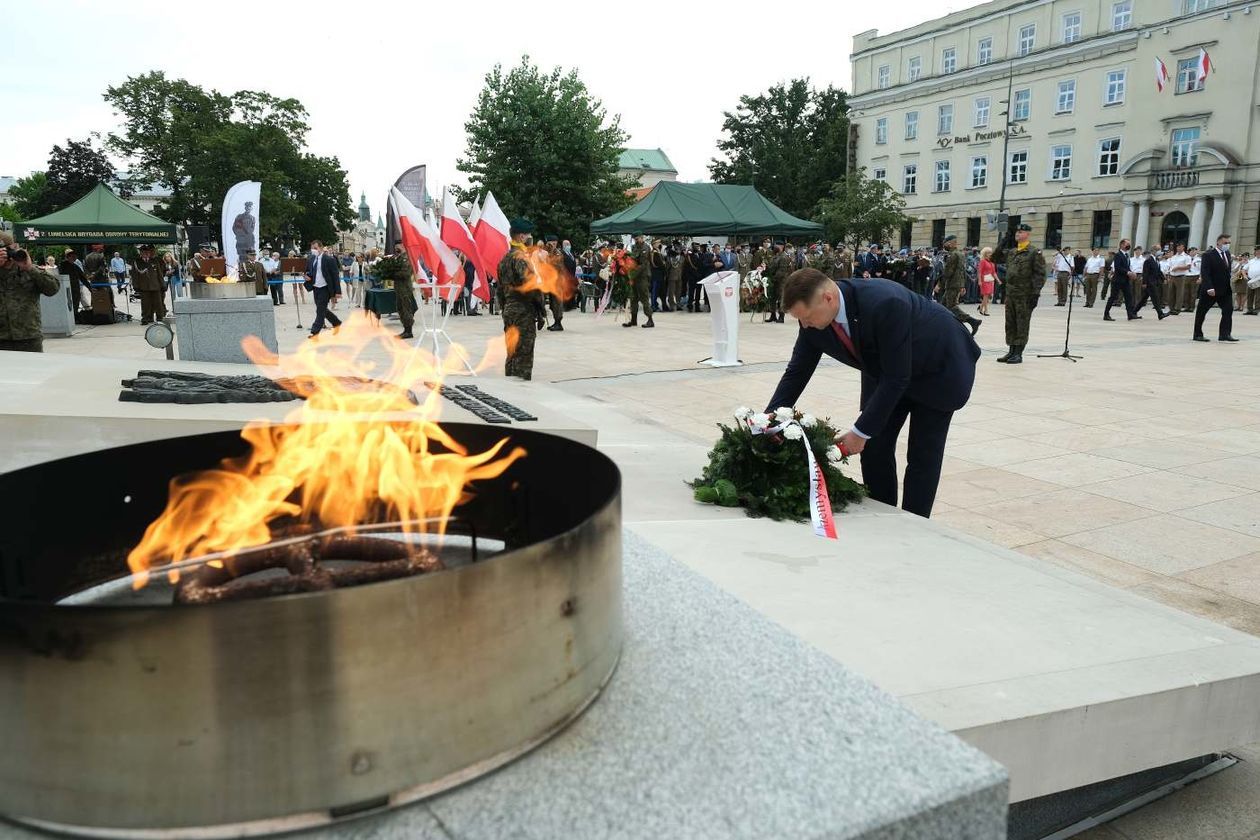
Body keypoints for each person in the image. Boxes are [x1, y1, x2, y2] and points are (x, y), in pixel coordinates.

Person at [766, 268, 980, 518]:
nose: (805, 325)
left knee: (923, 453)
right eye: (799, 319)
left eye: (807, 317)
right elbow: (797, 371)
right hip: (888, 370)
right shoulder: (814, 323)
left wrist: (859, 432)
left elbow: (897, 377)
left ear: (828, 298)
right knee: (875, 448)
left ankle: (916, 524)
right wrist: (770, 419)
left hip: (938, 366)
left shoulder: (885, 302)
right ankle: (883, 514)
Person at [991, 223, 1046, 364]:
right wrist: (1003, 241)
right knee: (1010, 323)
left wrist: (1035, 294)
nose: (1017, 234)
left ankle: (1018, 353)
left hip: (1025, 295)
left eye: (1020, 232)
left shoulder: (1034, 252)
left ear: (1027, 234)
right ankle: (1011, 351)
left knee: (1022, 323)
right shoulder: (1012, 252)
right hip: (1010, 294)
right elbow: (994, 258)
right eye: (1016, 232)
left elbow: (1040, 275)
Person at [498, 218, 545, 379]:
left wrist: (505, 308)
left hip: (509, 310)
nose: (530, 238)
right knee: (523, 353)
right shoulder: (521, 258)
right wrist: (541, 308)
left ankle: (510, 388)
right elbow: (530, 284)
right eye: (528, 235)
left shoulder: (504, 259)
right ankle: (521, 389)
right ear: (521, 237)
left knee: (511, 352)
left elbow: (500, 290)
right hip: (523, 310)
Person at [0, 243, 62, 352]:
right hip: (2, 338)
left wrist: (30, 267)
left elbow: (53, 289)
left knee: (34, 369)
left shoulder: (28, 270)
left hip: (29, 337)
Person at [1193, 234, 1238, 342]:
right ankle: (1197, 334)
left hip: (1225, 289)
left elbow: (1227, 271)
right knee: (1202, 312)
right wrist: (1209, 287)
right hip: (1211, 289)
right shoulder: (1208, 255)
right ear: (1218, 243)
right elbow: (1205, 272)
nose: (1227, 245)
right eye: (1225, 243)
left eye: (1228, 243)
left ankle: (1225, 334)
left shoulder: (1227, 254)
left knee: (1228, 310)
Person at [936, 235, 981, 336]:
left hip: (952, 284)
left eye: (945, 243)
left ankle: (972, 321)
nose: (944, 245)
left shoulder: (953, 255)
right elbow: (962, 271)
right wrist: (963, 285)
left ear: (951, 243)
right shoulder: (960, 254)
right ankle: (945, 327)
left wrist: (939, 284)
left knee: (951, 306)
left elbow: (948, 272)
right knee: (943, 306)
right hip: (957, 284)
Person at [304, 240, 342, 339]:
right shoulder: (311, 259)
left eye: (316, 248)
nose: (314, 250)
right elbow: (308, 271)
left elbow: (335, 276)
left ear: (321, 248)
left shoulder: (329, 259)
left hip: (325, 288)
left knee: (320, 311)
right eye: (312, 249)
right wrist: (307, 276)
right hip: (315, 287)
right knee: (322, 309)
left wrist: (338, 292)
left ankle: (315, 332)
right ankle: (336, 322)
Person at [130, 244, 167, 324]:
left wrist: (162, 284)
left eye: (147, 252)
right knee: (146, 304)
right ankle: (146, 318)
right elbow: (134, 275)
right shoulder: (137, 262)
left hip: (155, 285)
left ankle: (160, 318)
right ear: (141, 253)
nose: (146, 253)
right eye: (144, 252)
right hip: (144, 286)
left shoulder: (154, 261)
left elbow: (159, 274)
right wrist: (135, 285)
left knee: (158, 303)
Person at [624, 232, 655, 328]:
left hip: (643, 277)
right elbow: (632, 260)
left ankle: (650, 320)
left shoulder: (645, 248)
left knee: (644, 298)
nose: (636, 241)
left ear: (642, 238)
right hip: (635, 277)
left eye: (637, 239)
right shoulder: (634, 247)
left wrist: (632, 274)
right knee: (633, 298)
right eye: (635, 239)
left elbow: (643, 265)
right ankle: (633, 320)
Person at [1104, 239, 1139, 322]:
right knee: (1113, 297)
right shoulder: (1118, 255)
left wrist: (1131, 273)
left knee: (1128, 297)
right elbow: (1118, 267)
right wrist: (1128, 272)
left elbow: (1126, 267)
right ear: (1122, 245)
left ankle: (1130, 314)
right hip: (1118, 280)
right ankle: (1106, 314)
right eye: (1127, 244)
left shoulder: (1126, 256)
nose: (1129, 245)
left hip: (1126, 280)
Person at [389, 244, 416, 339]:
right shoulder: (399, 257)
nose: (396, 248)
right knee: (400, 308)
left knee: (406, 308)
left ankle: (409, 331)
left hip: (405, 288)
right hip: (399, 288)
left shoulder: (407, 258)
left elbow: (406, 273)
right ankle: (405, 329)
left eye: (397, 246)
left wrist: (393, 274)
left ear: (403, 246)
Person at [1134, 247, 1169, 320]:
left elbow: (1159, 271)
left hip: (1154, 282)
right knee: (1155, 298)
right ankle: (1160, 314)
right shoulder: (1148, 260)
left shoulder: (1156, 260)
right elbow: (1145, 272)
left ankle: (1134, 312)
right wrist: (1144, 282)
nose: (1158, 253)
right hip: (1150, 283)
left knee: (1143, 299)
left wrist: (1164, 279)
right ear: (1153, 251)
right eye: (1157, 251)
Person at [763, 240, 791, 323]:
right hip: (774, 281)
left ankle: (781, 316)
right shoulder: (775, 256)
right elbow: (771, 267)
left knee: (780, 298)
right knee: (772, 298)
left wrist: (773, 278)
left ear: (781, 247)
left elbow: (781, 271)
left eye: (776, 246)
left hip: (781, 281)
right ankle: (773, 315)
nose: (774, 247)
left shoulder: (784, 257)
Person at [977, 247, 997, 316]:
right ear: (985, 254)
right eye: (988, 253)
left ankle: (980, 307)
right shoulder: (982, 261)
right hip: (984, 280)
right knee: (986, 296)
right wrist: (979, 281)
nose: (990, 254)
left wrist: (997, 280)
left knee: (988, 296)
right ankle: (985, 310)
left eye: (990, 252)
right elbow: (979, 272)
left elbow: (993, 272)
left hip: (990, 280)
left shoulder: (991, 262)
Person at [1245, 246, 1260, 316]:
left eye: (1259, 251)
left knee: (1258, 296)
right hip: (1250, 280)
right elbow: (1244, 269)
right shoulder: (1251, 261)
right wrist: (1245, 276)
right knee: (1249, 295)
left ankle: (1257, 309)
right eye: (1257, 251)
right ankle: (1249, 309)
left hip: (1259, 280)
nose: (1258, 252)